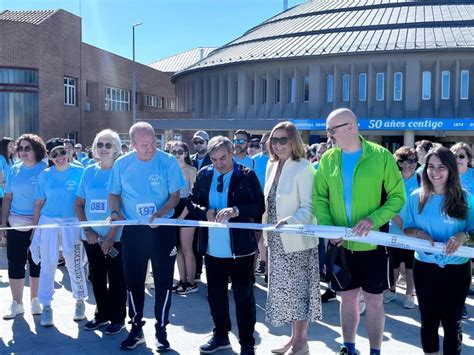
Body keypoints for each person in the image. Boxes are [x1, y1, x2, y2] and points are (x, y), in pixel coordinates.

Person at [313, 108, 405, 355]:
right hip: (340, 245)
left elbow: (397, 197)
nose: (328, 134)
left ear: (351, 127)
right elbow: (319, 198)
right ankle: (349, 347)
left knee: (374, 301)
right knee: (348, 298)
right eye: (327, 129)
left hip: (374, 245)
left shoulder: (381, 156)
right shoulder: (328, 159)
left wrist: (374, 220)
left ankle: (375, 351)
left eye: (332, 129)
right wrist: (329, 226)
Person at [108, 122, 185, 351]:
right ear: (132, 145)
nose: (150, 148)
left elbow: (175, 195)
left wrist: (160, 214)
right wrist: (114, 212)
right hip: (133, 232)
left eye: (153, 143)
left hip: (162, 229)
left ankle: (161, 330)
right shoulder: (122, 164)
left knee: (163, 282)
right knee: (133, 282)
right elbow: (114, 194)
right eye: (144, 145)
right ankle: (135, 328)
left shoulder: (168, 162)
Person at [187, 136, 264, 355]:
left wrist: (236, 210)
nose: (219, 163)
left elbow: (259, 204)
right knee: (215, 295)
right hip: (213, 248)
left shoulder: (246, 175)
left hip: (241, 249)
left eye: (223, 158)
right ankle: (220, 335)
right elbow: (192, 202)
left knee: (243, 296)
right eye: (214, 159)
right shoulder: (204, 174)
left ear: (232, 153)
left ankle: (247, 343)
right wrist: (205, 212)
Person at [402, 146, 473, 355]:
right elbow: (406, 228)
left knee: (452, 323)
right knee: (428, 322)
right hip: (425, 267)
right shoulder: (416, 197)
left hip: (457, 270)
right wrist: (419, 233)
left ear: (451, 169)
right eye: (430, 167)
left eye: (441, 167)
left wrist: (463, 235)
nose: (435, 172)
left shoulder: (466, 199)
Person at [264, 122, 321, 355]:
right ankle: (293, 339)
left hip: (297, 239)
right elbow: (268, 204)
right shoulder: (270, 165)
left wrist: (289, 221)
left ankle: (301, 342)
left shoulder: (304, 167)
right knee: (285, 292)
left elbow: (310, 207)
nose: (278, 145)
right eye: (274, 140)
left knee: (299, 293)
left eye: (283, 140)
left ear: (294, 141)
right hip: (276, 240)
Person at [74, 129, 127, 335]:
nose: (103, 149)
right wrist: (87, 230)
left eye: (108, 145)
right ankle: (101, 314)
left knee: (116, 279)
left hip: (117, 237)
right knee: (96, 277)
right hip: (92, 237)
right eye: (100, 144)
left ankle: (117, 318)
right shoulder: (89, 171)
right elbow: (78, 204)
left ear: (116, 149)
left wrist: (111, 237)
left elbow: (123, 208)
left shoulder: (121, 171)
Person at [31, 138, 87, 327]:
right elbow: (38, 203)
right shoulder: (45, 175)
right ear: (49, 156)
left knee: (75, 262)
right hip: (49, 222)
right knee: (48, 264)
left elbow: (84, 201)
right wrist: (35, 229)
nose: (59, 157)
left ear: (68, 152)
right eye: (54, 154)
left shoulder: (81, 172)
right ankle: (46, 306)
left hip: (73, 222)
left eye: (62, 152)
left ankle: (80, 301)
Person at [1, 134, 47, 319]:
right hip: (15, 223)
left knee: (36, 262)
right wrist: (3, 223)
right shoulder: (14, 170)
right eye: (20, 148)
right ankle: (17, 303)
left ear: (36, 149)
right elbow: (7, 198)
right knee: (15, 262)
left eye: (27, 148)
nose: (23, 152)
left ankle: (35, 300)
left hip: (40, 224)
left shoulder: (45, 169)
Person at [384, 147, 420, 309]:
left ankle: (409, 295)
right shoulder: (392, 179)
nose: (413, 164)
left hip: (413, 231)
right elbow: (386, 203)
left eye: (414, 160)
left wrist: (411, 227)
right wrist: (400, 223)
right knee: (394, 264)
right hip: (394, 229)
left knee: (411, 265)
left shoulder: (421, 179)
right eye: (409, 161)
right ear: (400, 163)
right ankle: (391, 291)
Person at [169, 141, 198, 295]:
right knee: (178, 249)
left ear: (186, 153)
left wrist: (182, 215)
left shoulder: (192, 170)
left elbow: (194, 197)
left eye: (180, 152)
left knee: (187, 248)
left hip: (187, 211)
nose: (177, 155)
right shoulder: (169, 170)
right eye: (173, 152)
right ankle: (182, 280)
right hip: (173, 209)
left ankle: (191, 282)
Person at [252, 133, 270, 276]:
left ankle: (270, 269)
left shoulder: (279, 160)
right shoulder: (254, 160)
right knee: (261, 236)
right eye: (261, 144)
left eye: (266, 143)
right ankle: (263, 262)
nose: (263, 146)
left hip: (274, 204)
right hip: (259, 203)